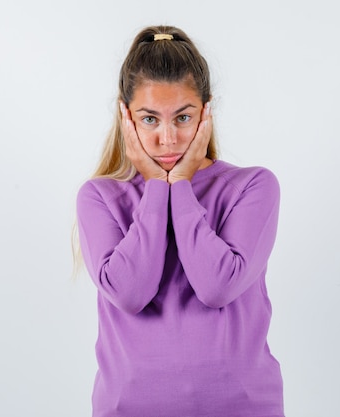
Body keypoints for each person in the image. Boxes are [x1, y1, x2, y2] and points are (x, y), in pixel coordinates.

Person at [75, 25, 285, 417]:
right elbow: (129, 293)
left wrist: (181, 188)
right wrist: (157, 189)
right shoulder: (99, 197)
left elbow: (217, 286)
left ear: (206, 112)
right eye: (150, 119)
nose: (168, 139)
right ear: (126, 117)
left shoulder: (252, 187)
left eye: (183, 117)